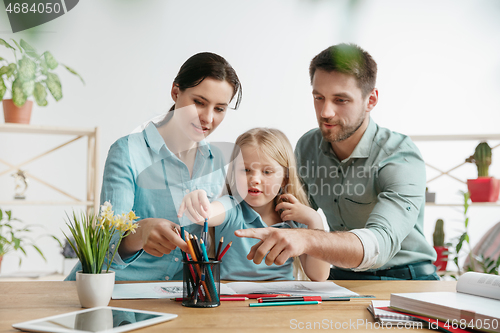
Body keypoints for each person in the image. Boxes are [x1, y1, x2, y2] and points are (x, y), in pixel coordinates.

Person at [236, 44, 439, 280]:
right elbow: (289, 214)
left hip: (406, 277)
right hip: (342, 275)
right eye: (319, 98)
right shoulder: (308, 146)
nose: (325, 112)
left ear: (370, 100)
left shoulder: (400, 156)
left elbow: (380, 244)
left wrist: (309, 239)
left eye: (340, 100)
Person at [65, 52, 242, 281]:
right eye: (199, 102)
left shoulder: (217, 160)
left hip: (178, 298)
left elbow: (232, 221)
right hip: (115, 290)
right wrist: (141, 232)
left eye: (219, 109)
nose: (207, 118)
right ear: (176, 92)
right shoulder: (128, 152)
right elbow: (105, 246)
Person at [178, 128, 330, 281]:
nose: (255, 179)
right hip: (232, 299)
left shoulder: (296, 218)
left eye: (267, 172)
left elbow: (319, 276)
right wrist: (198, 202)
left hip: (281, 300)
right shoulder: (231, 207)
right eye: (246, 170)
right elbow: (207, 214)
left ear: (284, 178)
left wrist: (314, 220)